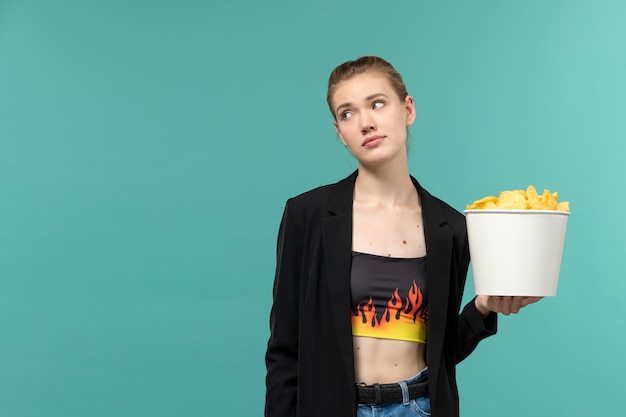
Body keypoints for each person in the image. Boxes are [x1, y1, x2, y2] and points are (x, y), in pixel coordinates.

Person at [265, 56, 540, 417]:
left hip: (419, 407)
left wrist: (483, 309)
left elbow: (443, 352)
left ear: (407, 109)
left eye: (377, 104)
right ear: (339, 132)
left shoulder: (451, 228)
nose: (366, 123)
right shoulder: (308, 216)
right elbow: (285, 351)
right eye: (347, 113)